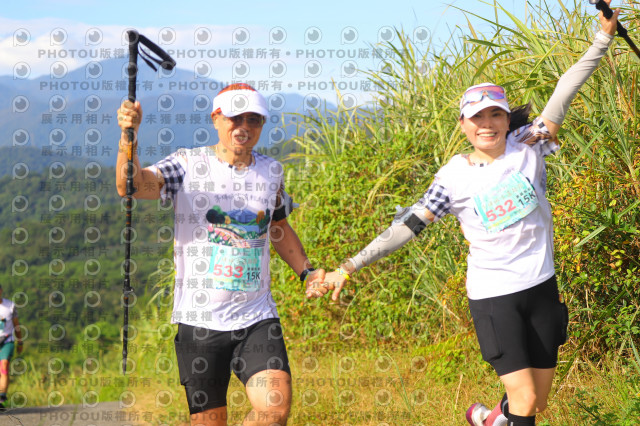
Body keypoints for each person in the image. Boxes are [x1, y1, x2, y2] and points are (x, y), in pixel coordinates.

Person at [311, 3, 620, 425]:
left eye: (495, 114)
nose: (487, 123)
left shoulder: (529, 145)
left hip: (541, 286)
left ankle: (491, 419)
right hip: (494, 297)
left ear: (506, 119)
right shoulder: (452, 177)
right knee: (526, 400)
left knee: (537, 402)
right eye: (477, 117)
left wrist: (603, 38)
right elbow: (407, 227)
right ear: (463, 125)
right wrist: (349, 266)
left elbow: (565, 91)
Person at [116, 83, 326, 426]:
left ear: (262, 124)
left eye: (253, 119)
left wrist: (307, 271)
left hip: (256, 317)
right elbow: (132, 186)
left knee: (274, 408)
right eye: (234, 118)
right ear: (215, 118)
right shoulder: (186, 164)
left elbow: (278, 227)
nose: (243, 126)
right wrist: (129, 138)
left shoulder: (272, 171)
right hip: (200, 321)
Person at [0, 285, 23, 410]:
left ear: (1, 291)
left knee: (4, 367)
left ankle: (1, 398)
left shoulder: (10, 306)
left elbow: (16, 325)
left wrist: (20, 342)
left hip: (7, 340)